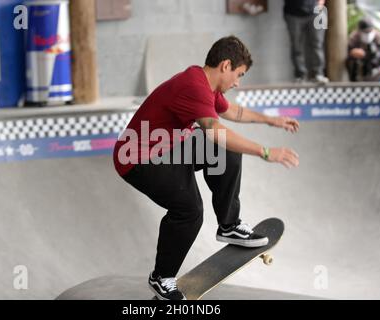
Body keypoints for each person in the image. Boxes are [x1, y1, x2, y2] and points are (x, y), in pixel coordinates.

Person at [113, 36, 300, 300]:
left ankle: (229, 225)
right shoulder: (193, 86)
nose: (238, 83)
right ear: (225, 65)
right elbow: (215, 132)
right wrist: (265, 152)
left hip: (168, 148)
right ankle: (161, 277)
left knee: (227, 152)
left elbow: (232, 112)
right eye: (239, 75)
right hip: (138, 159)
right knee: (189, 210)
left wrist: (271, 121)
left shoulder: (207, 85)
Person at [283, 0, 329, 84]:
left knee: (317, 44)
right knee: (296, 46)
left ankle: (318, 74)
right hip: (292, 12)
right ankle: (300, 75)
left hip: (317, 11)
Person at [346, 17, 380, 82]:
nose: (367, 34)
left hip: (378, 76)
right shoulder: (354, 38)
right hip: (359, 77)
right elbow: (346, 56)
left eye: (369, 31)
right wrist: (352, 53)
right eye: (365, 32)